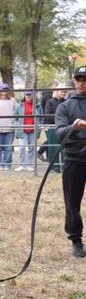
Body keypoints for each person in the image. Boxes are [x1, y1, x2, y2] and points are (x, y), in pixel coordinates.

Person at [54, 66, 86, 257]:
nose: (81, 83)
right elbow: (59, 133)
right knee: (72, 202)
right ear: (74, 81)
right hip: (74, 159)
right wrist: (74, 127)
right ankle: (76, 241)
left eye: (85, 80)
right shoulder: (65, 106)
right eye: (78, 80)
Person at [13, 91, 43, 172]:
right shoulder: (19, 105)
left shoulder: (37, 105)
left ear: (33, 96)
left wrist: (39, 125)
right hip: (22, 130)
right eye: (27, 94)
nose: (28, 96)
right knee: (22, 147)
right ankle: (22, 165)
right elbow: (14, 118)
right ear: (24, 95)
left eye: (30, 94)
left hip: (33, 129)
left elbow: (41, 117)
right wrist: (17, 125)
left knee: (32, 147)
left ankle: (29, 164)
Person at [0, 88, 17, 171]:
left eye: (5, 89)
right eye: (2, 89)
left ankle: (7, 164)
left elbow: (16, 111)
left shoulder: (12, 100)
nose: (4, 91)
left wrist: (13, 122)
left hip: (9, 127)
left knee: (8, 148)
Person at [45, 87, 68, 172]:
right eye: (62, 91)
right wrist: (59, 119)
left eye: (65, 92)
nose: (63, 93)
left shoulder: (66, 102)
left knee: (63, 147)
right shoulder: (50, 102)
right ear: (57, 92)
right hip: (53, 127)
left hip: (63, 127)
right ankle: (54, 166)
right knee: (53, 147)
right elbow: (47, 114)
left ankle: (63, 165)